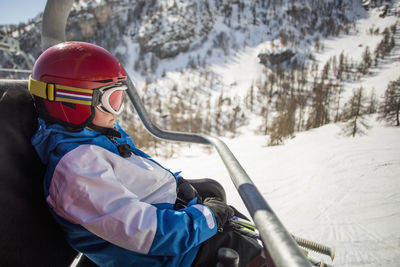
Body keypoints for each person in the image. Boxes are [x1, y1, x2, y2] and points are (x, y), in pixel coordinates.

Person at [29, 41, 264, 267]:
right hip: (178, 256)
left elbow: (138, 170)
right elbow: (148, 233)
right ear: (72, 102)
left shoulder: (94, 135)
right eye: (113, 100)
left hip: (181, 229)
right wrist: (207, 217)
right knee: (258, 251)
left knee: (225, 206)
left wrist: (179, 186)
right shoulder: (77, 171)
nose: (117, 111)